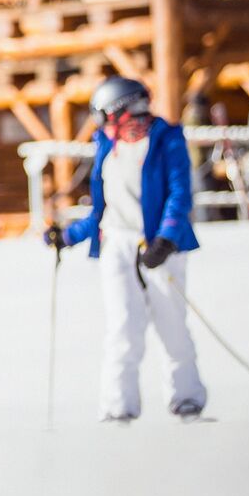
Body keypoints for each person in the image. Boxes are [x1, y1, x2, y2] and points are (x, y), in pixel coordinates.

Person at [44, 75, 206, 422]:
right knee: (122, 327)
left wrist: (165, 239)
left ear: (119, 110)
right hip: (117, 246)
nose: (101, 125)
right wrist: (69, 236)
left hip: (161, 246)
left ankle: (187, 397)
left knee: (171, 324)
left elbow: (180, 195)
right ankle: (119, 407)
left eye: (103, 116)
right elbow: (104, 209)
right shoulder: (107, 145)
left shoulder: (166, 140)